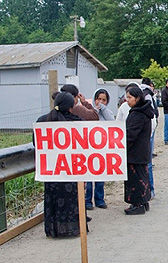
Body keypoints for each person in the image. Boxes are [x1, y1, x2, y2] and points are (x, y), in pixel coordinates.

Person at [36, 92, 85, 237]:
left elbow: (36, 143)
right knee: (71, 201)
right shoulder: (77, 122)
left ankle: (53, 230)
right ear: (71, 107)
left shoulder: (42, 121)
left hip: (52, 169)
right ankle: (73, 229)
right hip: (71, 169)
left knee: (53, 200)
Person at [124, 86, 153, 215]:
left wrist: (123, 146)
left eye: (130, 97)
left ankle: (138, 204)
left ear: (138, 98)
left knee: (135, 179)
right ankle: (143, 201)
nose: (127, 100)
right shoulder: (143, 111)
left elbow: (130, 135)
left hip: (135, 152)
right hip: (141, 151)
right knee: (142, 176)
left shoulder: (138, 114)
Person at [85, 88, 114, 210]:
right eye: (98, 99)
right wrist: (95, 110)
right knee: (88, 176)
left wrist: (103, 108)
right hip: (89, 147)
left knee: (100, 175)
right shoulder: (89, 111)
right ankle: (87, 200)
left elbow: (112, 122)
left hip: (102, 148)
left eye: (104, 100)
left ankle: (99, 199)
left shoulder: (108, 112)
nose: (100, 102)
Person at [141, 78, 159, 199]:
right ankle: (150, 190)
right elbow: (152, 115)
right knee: (147, 163)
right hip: (147, 134)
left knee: (147, 163)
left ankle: (148, 191)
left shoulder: (146, 94)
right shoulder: (147, 95)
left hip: (147, 132)